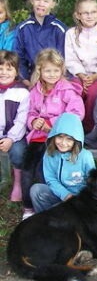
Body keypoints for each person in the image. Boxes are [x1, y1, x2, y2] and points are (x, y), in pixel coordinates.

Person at [21, 48, 84, 220]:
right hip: (37, 137)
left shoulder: (67, 90)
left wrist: (53, 124)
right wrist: (34, 121)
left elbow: (76, 113)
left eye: (56, 70)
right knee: (27, 169)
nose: (52, 74)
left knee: (44, 171)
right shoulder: (36, 90)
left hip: (58, 139)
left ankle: (50, 206)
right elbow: (30, 112)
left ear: (61, 70)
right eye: (47, 70)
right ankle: (28, 208)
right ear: (39, 70)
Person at [30, 113, 95, 213]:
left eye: (69, 139)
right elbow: (50, 179)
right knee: (36, 190)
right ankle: (45, 221)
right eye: (60, 137)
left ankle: (60, 219)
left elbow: (92, 182)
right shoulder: (49, 153)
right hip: (59, 194)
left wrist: (78, 200)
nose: (63, 143)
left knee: (61, 212)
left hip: (80, 199)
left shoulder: (86, 156)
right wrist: (66, 195)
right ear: (54, 135)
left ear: (76, 140)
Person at [65, 0, 97, 132]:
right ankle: (73, 128)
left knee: (93, 92)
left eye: (93, 12)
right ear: (78, 15)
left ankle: (89, 129)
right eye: (85, 13)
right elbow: (70, 58)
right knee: (74, 91)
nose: (89, 16)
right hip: (77, 75)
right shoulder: (71, 34)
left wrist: (94, 76)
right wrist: (81, 75)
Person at [14, 0, 67, 85]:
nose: (41, 4)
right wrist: (24, 78)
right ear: (32, 1)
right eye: (38, 0)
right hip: (30, 78)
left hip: (54, 78)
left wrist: (57, 79)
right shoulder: (23, 28)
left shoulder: (59, 29)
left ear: (53, 4)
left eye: (46, 1)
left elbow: (64, 57)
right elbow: (18, 56)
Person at [0, 50, 29, 202]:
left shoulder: (22, 92)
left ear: (17, 71)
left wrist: (11, 138)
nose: (4, 72)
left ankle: (17, 183)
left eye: (9, 69)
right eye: (0, 68)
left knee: (18, 152)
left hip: (15, 135)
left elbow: (22, 120)